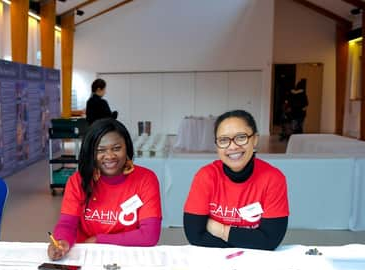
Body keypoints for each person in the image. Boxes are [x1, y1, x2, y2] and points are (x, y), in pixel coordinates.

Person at [47, 118, 162, 261]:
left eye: (116, 148)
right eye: (100, 150)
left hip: (130, 256)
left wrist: (98, 240)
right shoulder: (78, 181)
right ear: (90, 153)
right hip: (87, 256)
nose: (110, 156)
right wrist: (61, 241)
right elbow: (67, 224)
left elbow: (149, 235)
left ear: (127, 147)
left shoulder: (146, 179)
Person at [183, 110, 289, 250]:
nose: (232, 146)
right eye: (224, 140)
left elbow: (269, 241)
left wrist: (221, 230)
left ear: (255, 139)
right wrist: (250, 239)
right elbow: (195, 236)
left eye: (240, 137)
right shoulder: (206, 176)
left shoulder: (273, 179)